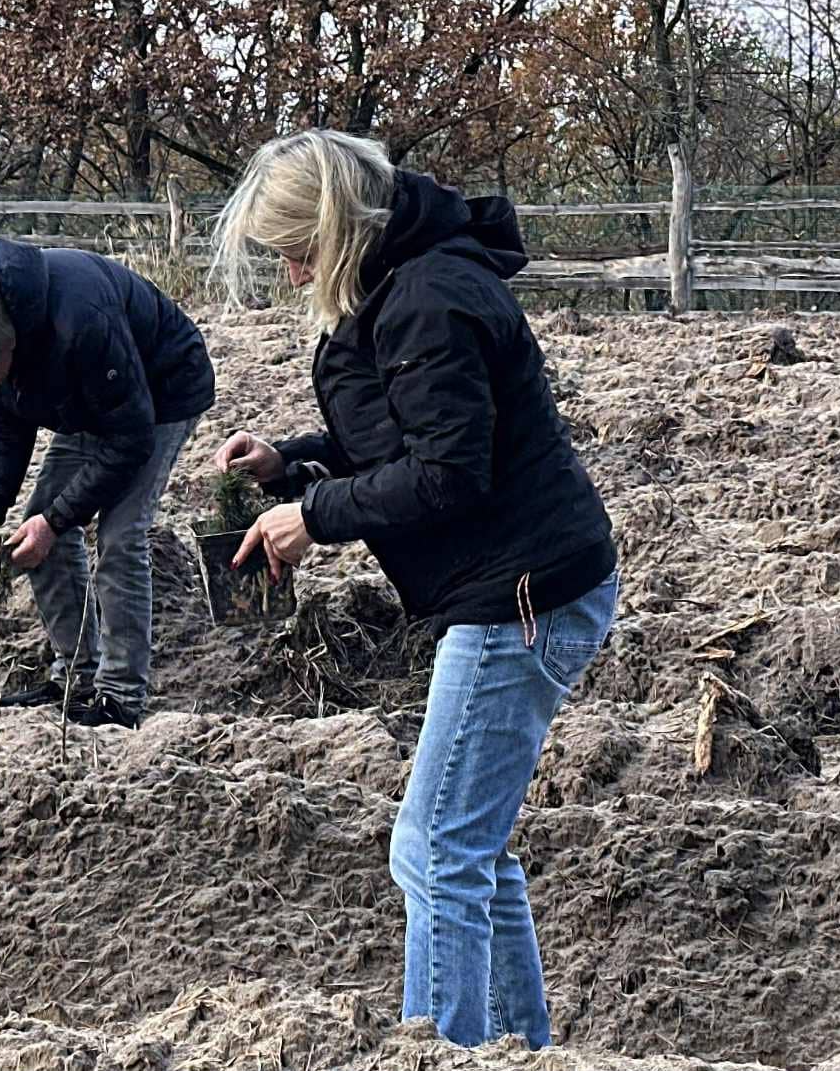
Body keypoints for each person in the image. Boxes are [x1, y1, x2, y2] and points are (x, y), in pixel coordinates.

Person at [208, 129, 617, 1050]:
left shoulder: (427, 299)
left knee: (433, 848)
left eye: (297, 251)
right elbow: (400, 437)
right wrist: (291, 464)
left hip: (521, 596)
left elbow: (448, 473)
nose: (291, 273)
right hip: (524, 581)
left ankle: (445, 1051)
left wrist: (315, 516)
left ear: (338, 228)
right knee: (469, 849)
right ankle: (519, 1048)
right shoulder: (406, 282)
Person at [0, 239, 214, 729]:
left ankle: (120, 697)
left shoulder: (82, 323)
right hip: (90, 401)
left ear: (9, 342)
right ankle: (77, 677)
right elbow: (8, 422)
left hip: (161, 392)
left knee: (120, 537)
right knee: (35, 532)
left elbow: (131, 438)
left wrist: (58, 519)